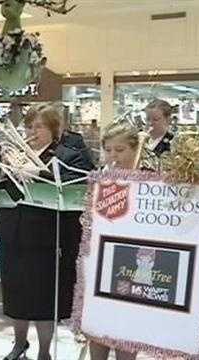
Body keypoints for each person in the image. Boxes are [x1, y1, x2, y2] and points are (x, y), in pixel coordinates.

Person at [0, 104, 93, 360]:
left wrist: (40, 171)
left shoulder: (68, 155)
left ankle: (44, 352)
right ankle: (19, 344)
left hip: (47, 237)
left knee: (42, 297)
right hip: (13, 231)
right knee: (16, 292)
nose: (32, 131)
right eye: (29, 126)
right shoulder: (15, 153)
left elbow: (76, 189)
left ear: (54, 129)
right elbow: (1, 188)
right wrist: (7, 168)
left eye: (39, 126)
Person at [88, 122, 141, 360]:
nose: (113, 156)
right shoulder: (101, 179)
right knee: (99, 322)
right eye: (108, 150)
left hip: (135, 261)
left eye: (120, 150)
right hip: (102, 258)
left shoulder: (149, 179)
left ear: (134, 149)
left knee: (128, 324)